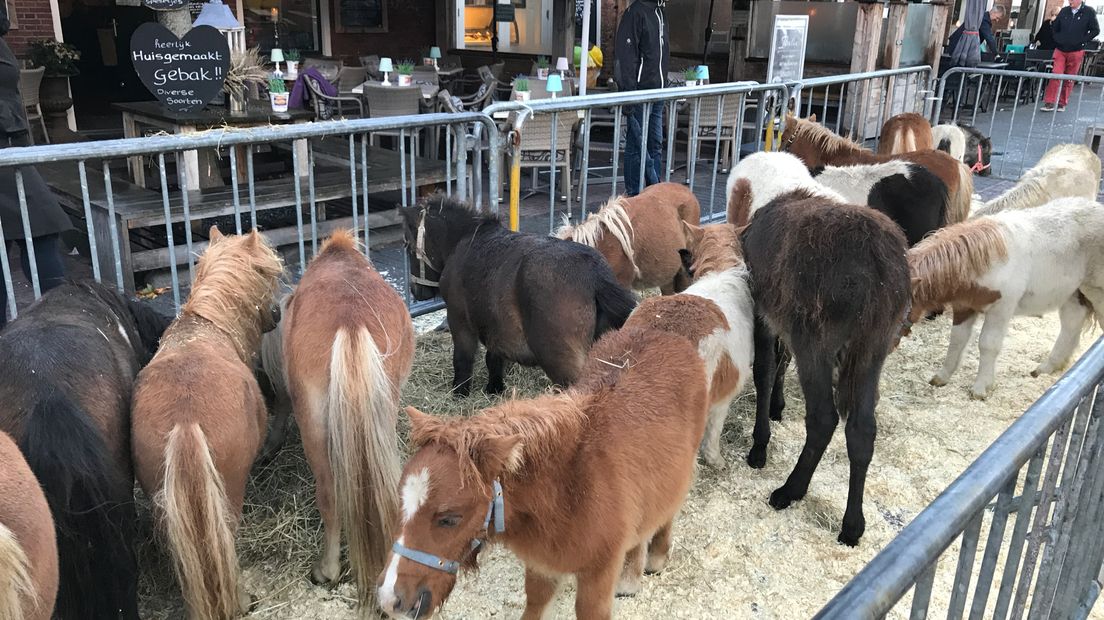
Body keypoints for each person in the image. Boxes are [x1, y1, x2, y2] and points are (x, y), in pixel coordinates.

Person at [0, 10, 71, 327]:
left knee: (36, 230)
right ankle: (66, 319)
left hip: (12, 144)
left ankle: (65, 319)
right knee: (41, 225)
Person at [614, 0, 669, 197]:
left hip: (657, 91)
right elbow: (626, 56)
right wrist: (629, 92)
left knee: (655, 143)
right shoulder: (636, 13)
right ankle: (634, 193)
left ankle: (652, 193)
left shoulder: (659, 12)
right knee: (637, 144)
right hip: (641, 92)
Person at [1042, 0, 1100, 111]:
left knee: (1069, 78)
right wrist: (1057, 38)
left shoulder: (1089, 12)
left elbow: (1095, 30)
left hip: (1076, 50)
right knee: (1056, 74)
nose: (1070, 1)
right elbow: (1055, 27)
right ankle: (1049, 102)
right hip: (1060, 49)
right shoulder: (1064, 11)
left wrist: (1083, 40)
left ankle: (1062, 103)